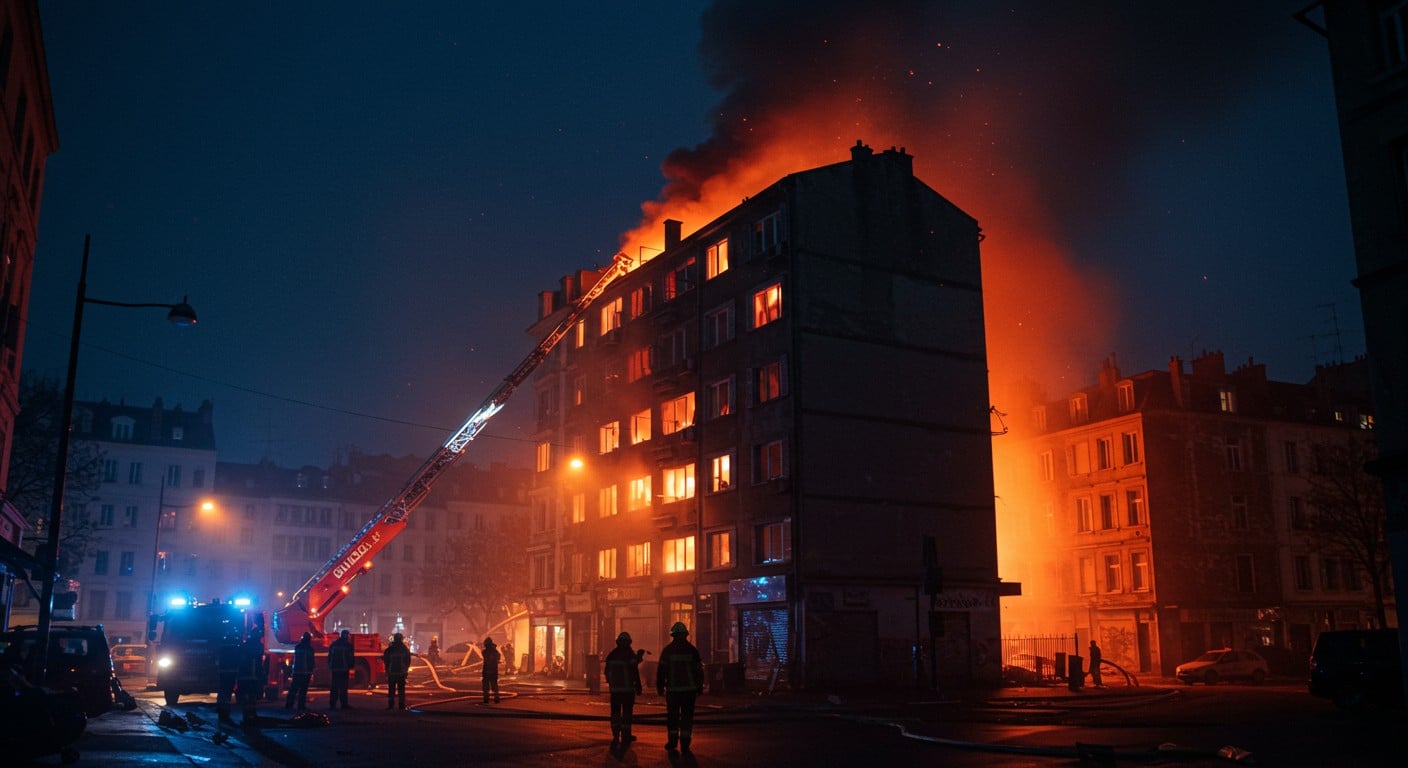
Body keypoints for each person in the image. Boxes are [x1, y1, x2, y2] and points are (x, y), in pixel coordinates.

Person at [656, 622, 704, 752]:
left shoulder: (667, 651)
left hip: (673, 691)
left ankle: (672, 742)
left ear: (673, 635)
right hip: (689, 691)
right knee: (687, 718)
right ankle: (685, 744)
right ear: (685, 635)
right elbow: (698, 671)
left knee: (673, 718)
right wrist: (700, 686)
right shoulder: (692, 650)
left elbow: (661, 671)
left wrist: (659, 686)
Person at [604, 631, 644, 750]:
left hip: (615, 690)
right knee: (627, 714)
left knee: (615, 713)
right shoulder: (630, 654)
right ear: (628, 643)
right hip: (627, 691)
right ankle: (626, 736)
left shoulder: (612, 655)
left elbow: (606, 672)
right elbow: (634, 669)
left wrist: (611, 683)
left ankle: (616, 735)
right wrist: (638, 686)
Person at [235, 631, 267, 727]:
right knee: (252, 697)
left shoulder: (243, 646)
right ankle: (252, 715)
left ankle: (246, 716)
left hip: (243, 675)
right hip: (254, 676)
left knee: (245, 697)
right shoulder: (258, 646)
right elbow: (260, 660)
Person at [284, 632, 315, 711]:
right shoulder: (310, 649)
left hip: (297, 672)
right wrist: (311, 671)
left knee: (293, 689)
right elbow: (311, 661)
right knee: (303, 690)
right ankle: (301, 705)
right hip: (305, 673)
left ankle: (289, 704)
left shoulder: (298, 647)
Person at [383, 633, 412, 710]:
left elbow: (386, 660)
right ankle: (401, 705)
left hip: (392, 674)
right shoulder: (404, 649)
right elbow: (408, 661)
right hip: (401, 674)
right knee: (401, 690)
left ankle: (391, 705)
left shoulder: (390, 649)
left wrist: (387, 671)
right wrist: (406, 671)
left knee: (391, 690)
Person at [215, 639, 241, 724]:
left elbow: (217, 661)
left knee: (223, 692)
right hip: (231, 673)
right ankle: (224, 713)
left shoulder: (222, 647)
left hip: (223, 673)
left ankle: (222, 712)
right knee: (226, 693)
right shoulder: (235, 647)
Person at [328, 629, 355, 709]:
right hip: (344, 669)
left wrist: (330, 666)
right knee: (343, 687)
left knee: (334, 687)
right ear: (346, 636)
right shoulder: (348, 645)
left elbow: (330, 656)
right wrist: (351, 666)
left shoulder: (334, 644)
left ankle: (332, 705)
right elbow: (350, 658)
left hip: (335, 669)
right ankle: (344, 704)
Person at [481, 637, 501, 703]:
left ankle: (486, 699)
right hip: (493, 670)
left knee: (486, 686)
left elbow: (485, 656)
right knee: (494, 684)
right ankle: (496, 698)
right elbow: (498, 657)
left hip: (487, 670)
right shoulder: (495, 651)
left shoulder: (485, 651)